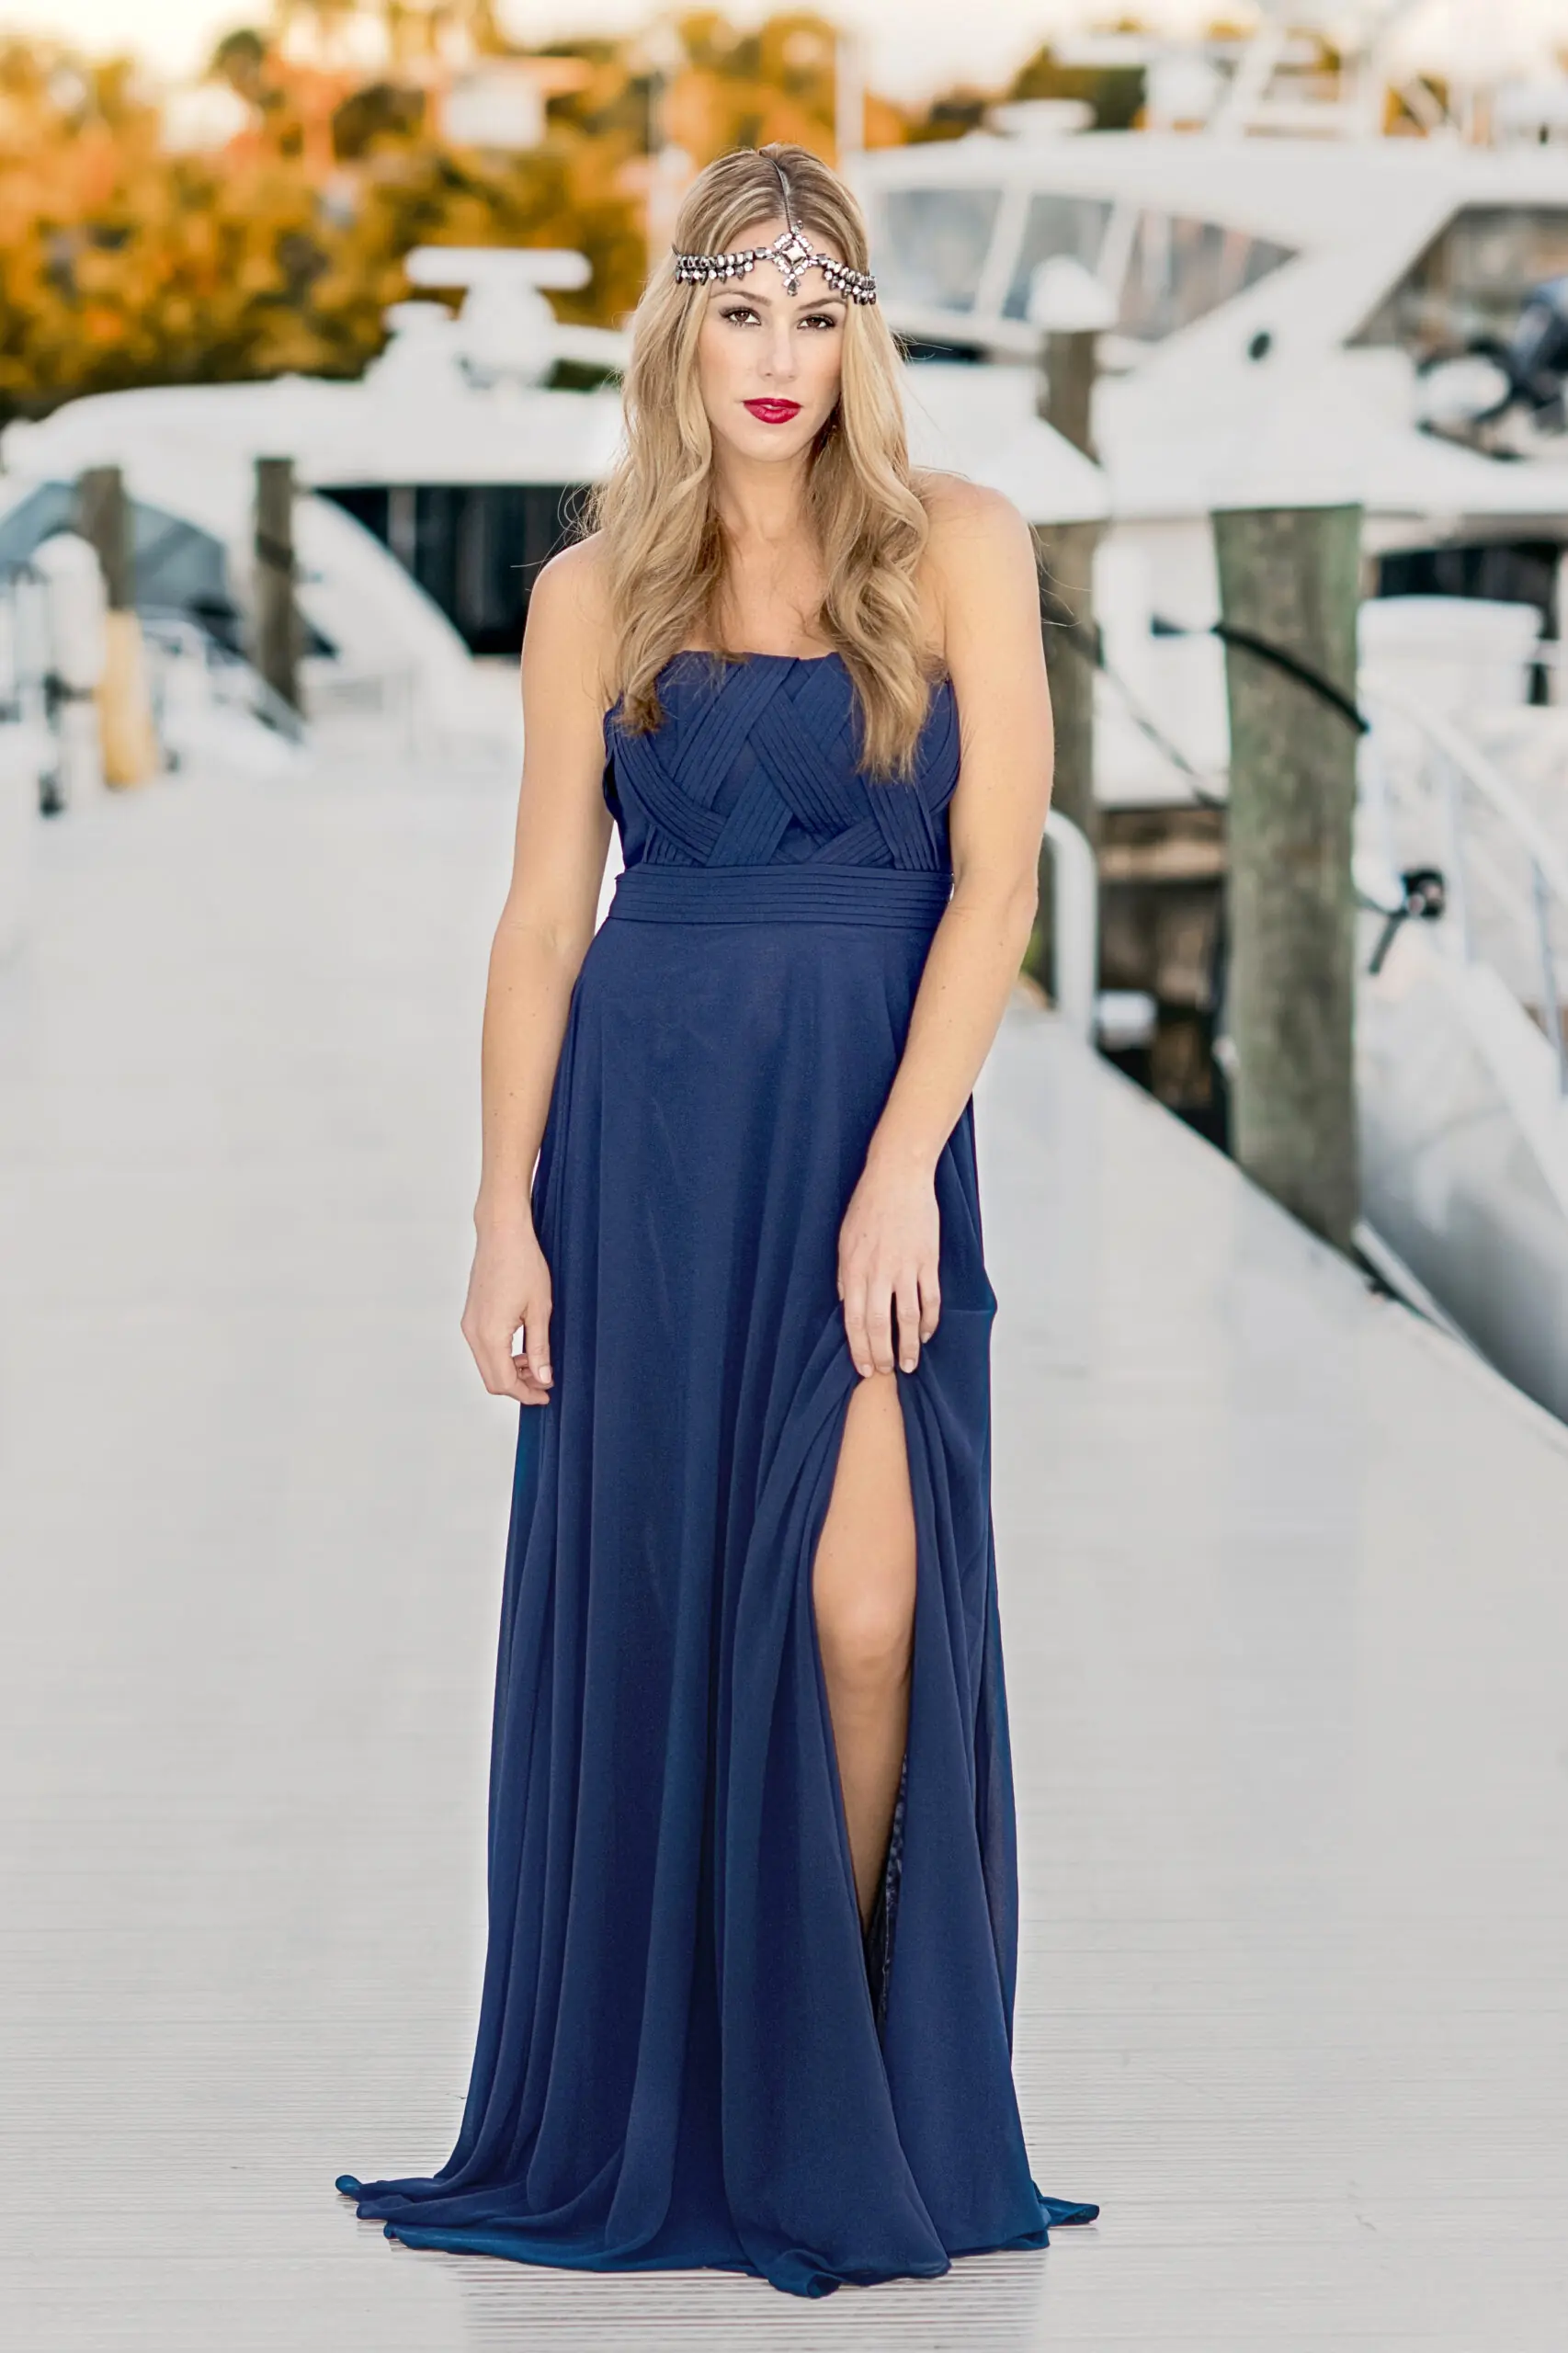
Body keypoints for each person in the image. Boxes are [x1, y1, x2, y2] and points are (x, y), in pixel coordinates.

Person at [336, 141, 1097, 2298]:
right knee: (671, 1604)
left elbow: (997, 882)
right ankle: (704, 2100)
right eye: (741, 309)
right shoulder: (596, 588)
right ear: (683, 332)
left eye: (817, 311)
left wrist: (901, 1162)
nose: (778, 353)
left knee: (865, 1605)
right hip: (651, 1142)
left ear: (864, 338)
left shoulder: (959, 542)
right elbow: (538, 919)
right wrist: (501, 1211)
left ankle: (821, 2082)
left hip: (872, 1122)